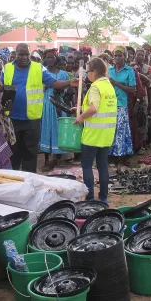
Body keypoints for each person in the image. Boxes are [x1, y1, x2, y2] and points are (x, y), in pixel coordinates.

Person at [0, 43, 77, 173]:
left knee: (30, 154)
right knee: (13, 154)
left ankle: (28, 182)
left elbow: (53, 83)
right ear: (15, 55)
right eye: (21, 54)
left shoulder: (38, 68)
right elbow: (0, 85)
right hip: (12, 119)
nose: (24, 57)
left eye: (26, 54)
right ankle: (14, 182)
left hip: (32, 119)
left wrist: (69, 82)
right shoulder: (6, 68)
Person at [74, 58, 117, 203]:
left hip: (93, 135)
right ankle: (104, 198)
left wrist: (80, 117)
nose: (87, 75)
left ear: (95, 72)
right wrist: (80, 109)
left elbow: (94, 108)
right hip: (106, 134)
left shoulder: (95, 87)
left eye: (88, 72)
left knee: (87, 165)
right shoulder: (108, 86)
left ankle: (90, 197)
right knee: (102, 165)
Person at [40, 49, 71, 170]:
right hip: (46, 104)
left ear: (56, 58)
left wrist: (63, 90)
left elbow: (69, 91)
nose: (50, 60)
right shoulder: (41, 72)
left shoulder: (63, 74)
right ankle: (47, 160)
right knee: (46, 130)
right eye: (47, 57)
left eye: (52, 57)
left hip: (59, 105)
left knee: (58, 130)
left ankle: (57, 158)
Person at [108, 46, 136, 167]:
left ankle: (121, 156)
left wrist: (116, 83)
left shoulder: (129, 71)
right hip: (108, 104)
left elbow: (132, 89)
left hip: (121, 104)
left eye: (120, 55)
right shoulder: (109, 70)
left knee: (120, 130)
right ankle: (110, 155)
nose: (117, 58)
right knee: (110, 129)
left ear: (125, 57)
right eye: (115, 56)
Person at [130, 49, 151, 153]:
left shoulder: (148, 68)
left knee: (142, 118)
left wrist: (139, 75)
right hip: (131, 96)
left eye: (142, 55)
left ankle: (142, 143)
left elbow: (148, 82)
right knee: (133, 120)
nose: (140, 57)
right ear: (135, 55)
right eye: (138, 54)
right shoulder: (130, 67)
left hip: (143, 95)